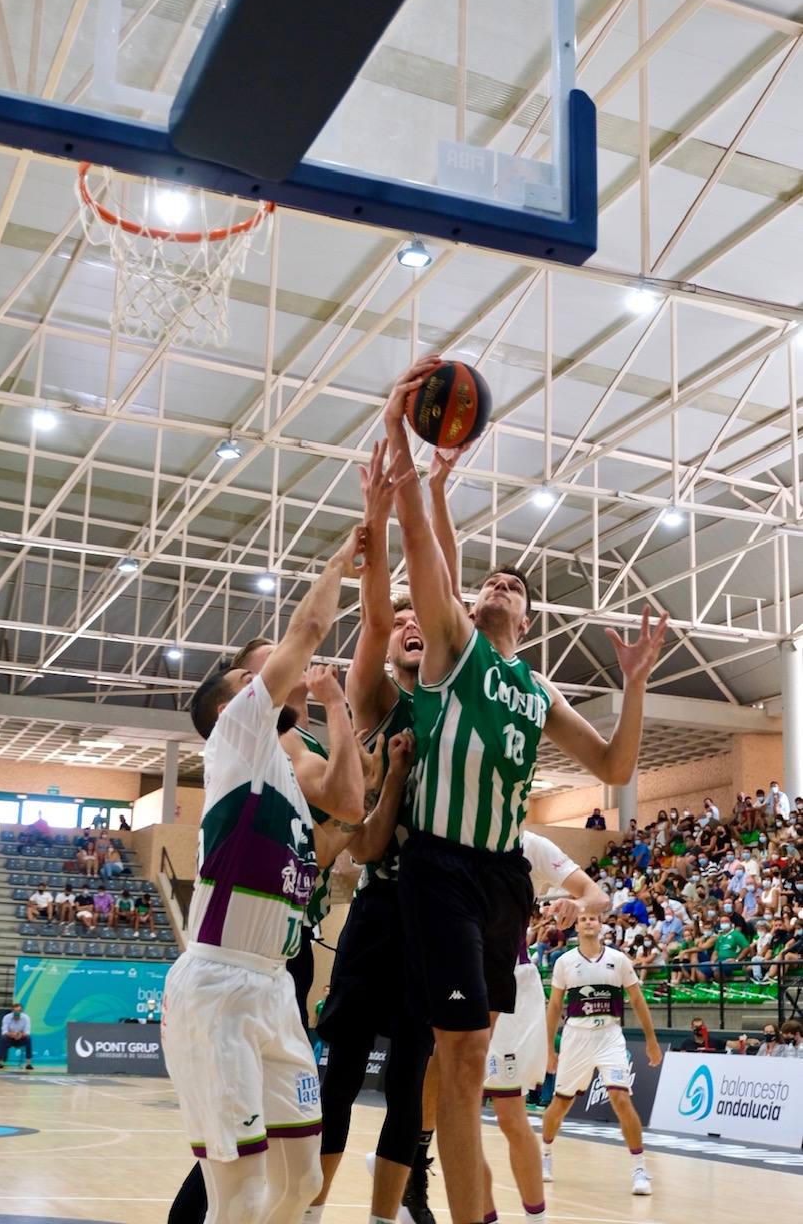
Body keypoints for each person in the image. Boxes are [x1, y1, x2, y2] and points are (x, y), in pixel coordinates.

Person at [384, 356, 667, 1224]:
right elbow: (428, 547)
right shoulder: (451, 649)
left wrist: (633, 683)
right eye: (492, 580)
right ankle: (443, 1203)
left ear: (530, 620)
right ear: (470, 607)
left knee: (469, 1068)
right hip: (436, 862)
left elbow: (617, 771)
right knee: (461, 1055)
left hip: (501, 876)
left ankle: (432, 1186)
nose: (504, 583)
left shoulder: (537, 689)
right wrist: (415, 461)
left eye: (518, 586)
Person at [162, 527, 366, 1224]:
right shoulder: (236, 739)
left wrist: (339, 713)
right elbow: (308, 627)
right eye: (249, 678)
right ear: (230, 707)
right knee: (240, 1194)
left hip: (276, 990)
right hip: (218, 985)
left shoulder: (285, 771)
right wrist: (343, 557)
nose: (268, 676)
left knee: (301, 1181)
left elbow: (350, 805)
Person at [308, 438, 462, 1224]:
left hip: (436, 913)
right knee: (338, 1075)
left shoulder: (452, 685)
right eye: (400, 618)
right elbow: (373, 614)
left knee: (410, 1077)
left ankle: (384, 1216)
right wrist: (378, 518)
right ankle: (309, 1207)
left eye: (418, 616)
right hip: (378, 899)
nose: (409, 621)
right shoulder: (375, 701)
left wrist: (433, 497)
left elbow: (447, 593)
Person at [482, 833, 609, 1224]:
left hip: (510, 985)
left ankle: (535, 1218)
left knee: (509, 1114)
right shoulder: (449, 829)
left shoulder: (529, 844)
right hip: (453, 974)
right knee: (455, 1114)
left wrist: (578, 903)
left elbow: (598, 896)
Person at [541, 913, 662, 1197]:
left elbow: (637, 999)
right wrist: (549, 1048)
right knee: (561, 1104)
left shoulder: (618, 960)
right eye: (582, 918)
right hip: (576, 1039)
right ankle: (545, 1153)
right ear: (576, 926)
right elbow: (555, 1006)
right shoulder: (564, 962)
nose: (588, 922)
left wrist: (651, 1039)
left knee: (620, 1098)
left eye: (593, 918)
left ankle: (639, 1168)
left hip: (609, 1035)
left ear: (601, 925)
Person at [0, 1003, 33, 1069]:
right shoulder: (6, 1017)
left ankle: (28, 1064)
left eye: (19, 1011)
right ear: (12, 1011)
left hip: (21, 1038)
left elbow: (27, 1032)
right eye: (15, 1011)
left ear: (22, 1011)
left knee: (28, 1038)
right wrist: (12, 1034)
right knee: (3, 1038)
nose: (17, 1013)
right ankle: (0, 1063)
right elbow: (4, 1031)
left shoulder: (26, 1018)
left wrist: (20, 1035)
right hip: (10, 1038)